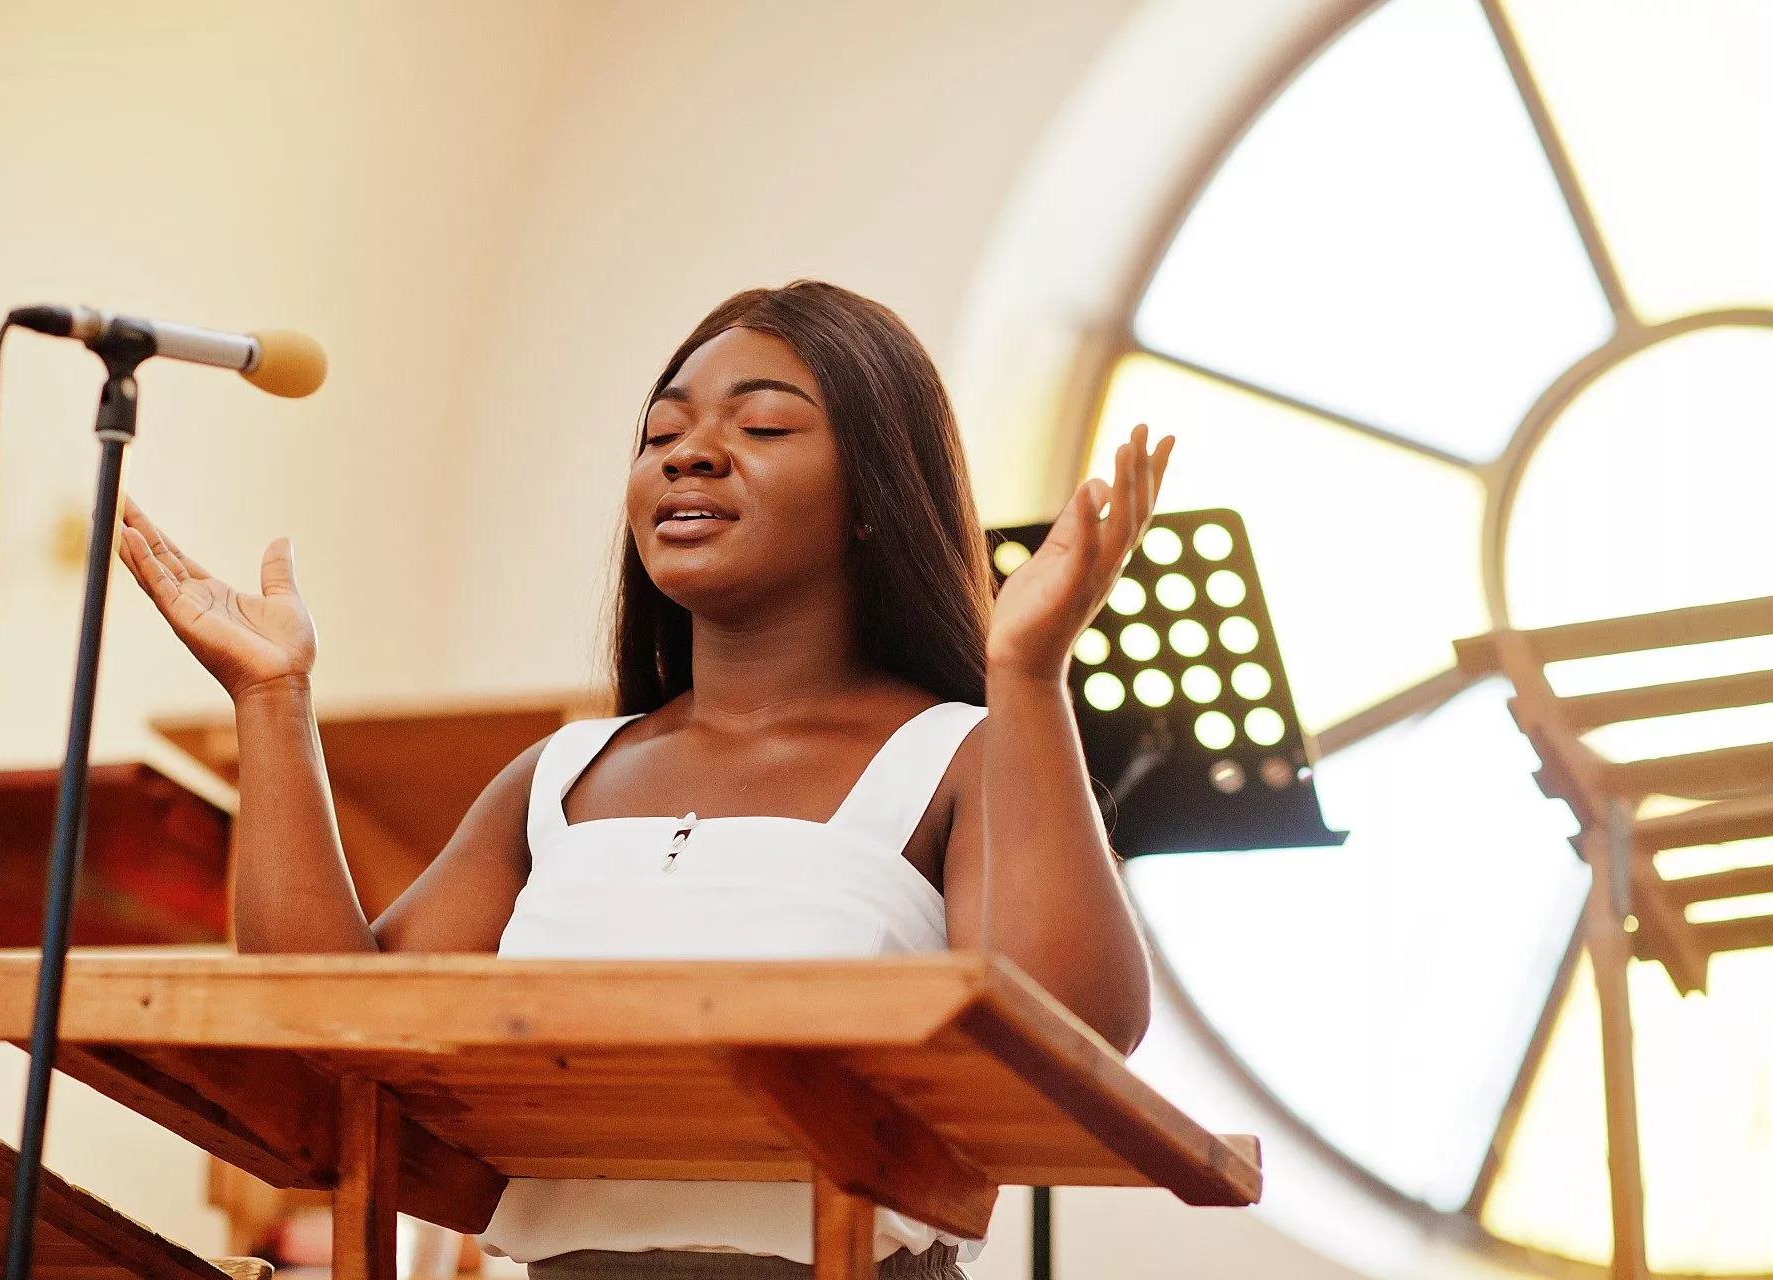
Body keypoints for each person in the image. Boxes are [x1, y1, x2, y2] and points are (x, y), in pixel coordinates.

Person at [116, 279, 1173, 1279]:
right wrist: (272, 698)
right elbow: (328, 1032)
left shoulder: (954, 754)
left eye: (760, 429)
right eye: (662, 435)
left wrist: (1028, 675)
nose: (692, 457)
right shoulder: (563, 775)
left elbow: (1077, 1034)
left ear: (875, 496)